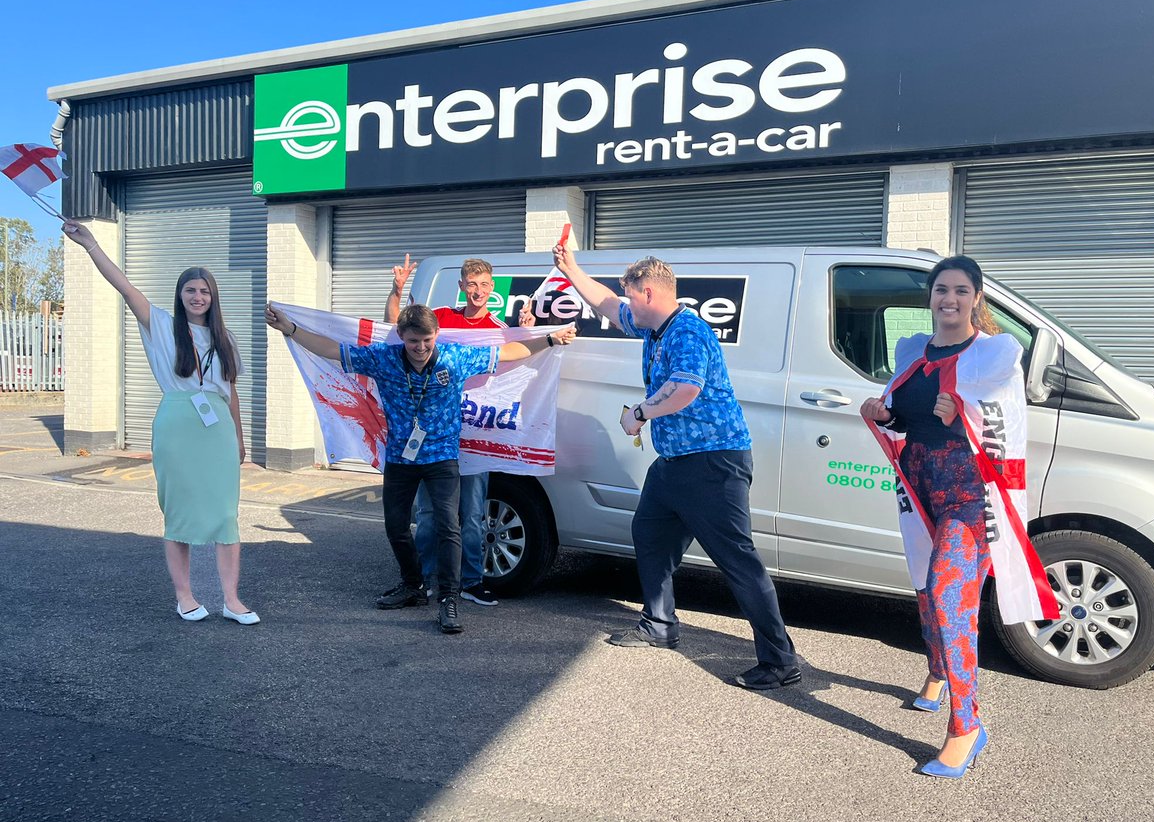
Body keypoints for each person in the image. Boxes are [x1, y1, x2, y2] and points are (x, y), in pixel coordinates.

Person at [553, 246, 800, 690]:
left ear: (648, 292)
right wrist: (572, 271)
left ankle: (781, 660)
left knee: (738, 560)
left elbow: (686, 388)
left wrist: (640, 414)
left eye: (631, 297)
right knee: (650, 533)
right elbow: (606, 304)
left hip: (712, 463)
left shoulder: (687, 332)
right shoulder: (655, 326)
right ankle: (660, 623)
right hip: (675, 464)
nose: (625, 305)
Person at [265, 300, 575, 634]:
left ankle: (449, 599)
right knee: (396, 526)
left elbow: (508, 352)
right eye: (414, 341)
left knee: (448, 527)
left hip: (442, 459)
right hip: (400, 458)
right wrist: (291, 330)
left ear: (436, 334)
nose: (421, 347)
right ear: (401, 336)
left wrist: (550, 339)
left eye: (427, 340)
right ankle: (413, 585)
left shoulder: (455, 358)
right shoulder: (384, 360)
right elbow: (333, 350)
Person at [860, 254, 1054, 779]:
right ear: (930, 297)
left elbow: (999, 410)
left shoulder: (994, 351)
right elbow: (908, 414)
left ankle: (966, 726)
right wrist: (885, 414)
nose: (949, 299)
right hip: (920, 478)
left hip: (971, 488)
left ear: (977, 298)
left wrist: (961, 406)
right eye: (941, 289)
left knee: (951, 593)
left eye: (960, 291)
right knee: (926, 586)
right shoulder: (909, 350)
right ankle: (936, 671)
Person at [62, 220, 258, 625]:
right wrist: (92, 245)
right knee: (180, 512)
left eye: (204, 291)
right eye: (191, 290)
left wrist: (239, 438)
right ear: (180, 294)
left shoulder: (226, 338)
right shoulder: (162, 325)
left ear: (213, 297)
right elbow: (125, 287)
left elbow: (231, 392)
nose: (198, 296)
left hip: (217, 426)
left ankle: (232, 599)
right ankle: (184, 596)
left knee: (225, 513)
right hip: (177, 423)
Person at [384, 255, 533, 607]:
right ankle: (423, 580)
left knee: (472, 515)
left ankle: (470, 581)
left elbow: (520, 355)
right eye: (471, 284)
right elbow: (395, 328)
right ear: (462, 286)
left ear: (491, 288)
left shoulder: (498, 328)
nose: (478, 291)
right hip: (434, 440)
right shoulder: (443, 321)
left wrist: (528, 329)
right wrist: (397, 288)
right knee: (429, 515)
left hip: (477, 435)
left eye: (484, 285)